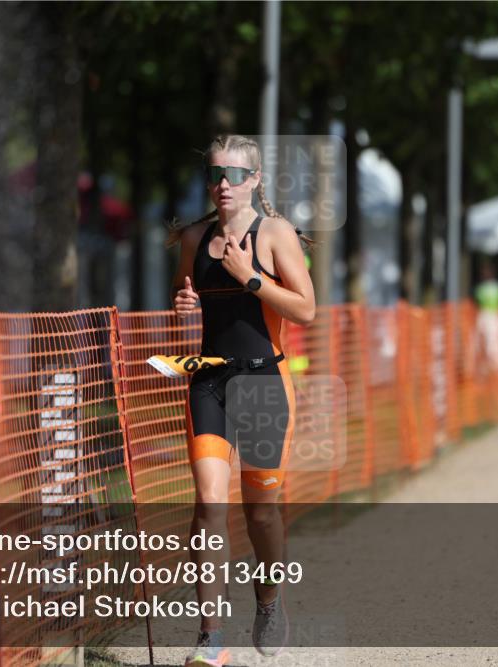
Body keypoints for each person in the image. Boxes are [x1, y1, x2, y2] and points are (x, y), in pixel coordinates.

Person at [167, 134, 316, 666]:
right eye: (214, 175)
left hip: (264, 384)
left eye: (233, 175)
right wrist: (183, 303)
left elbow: (305, 310)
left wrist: (250, 278)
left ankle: (269, 602)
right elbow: (187, 304)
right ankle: (210, 639)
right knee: (208, 502)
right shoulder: (192, 237)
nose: (222, 185)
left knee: (261, 514)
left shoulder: (273, 233)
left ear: (254, 179)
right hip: (208, 380)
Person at [474, 262, 498, 370]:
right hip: (484, 316)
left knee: (491, 343)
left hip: (491, 316)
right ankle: (484, 365)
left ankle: (493, 366)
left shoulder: (493, 287)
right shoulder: (483, 287)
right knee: (481, 342)